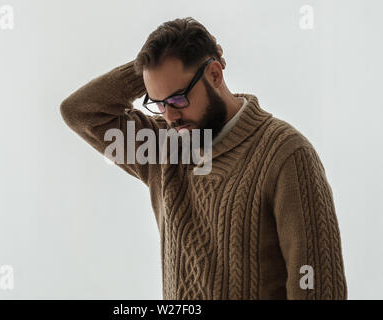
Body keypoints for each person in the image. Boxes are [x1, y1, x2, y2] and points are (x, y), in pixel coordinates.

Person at [60, 17, 347, 300]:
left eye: (177, 99)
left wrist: (193, 60)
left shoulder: (285, 154)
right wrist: (148, 72)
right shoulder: (162, 148)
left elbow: (318, 290)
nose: (169, 116)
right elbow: (80, 112)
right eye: (157, 104)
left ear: (214, 75)